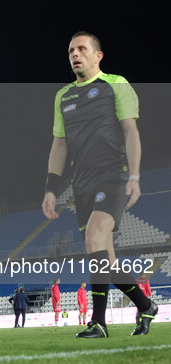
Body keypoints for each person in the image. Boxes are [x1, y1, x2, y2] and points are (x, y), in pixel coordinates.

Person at [42, 31, 157, 338]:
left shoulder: (116, 84)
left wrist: (134, 176)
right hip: (82, 184)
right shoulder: (63, 96)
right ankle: (146, 306)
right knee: (107, 260)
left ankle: (98, 322)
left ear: (97, 56)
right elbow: (59, 146)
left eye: (81, 49)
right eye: (70, 51)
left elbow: (130, 131)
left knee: (94, 237)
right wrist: (51, 188)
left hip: (113, 175)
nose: (74, 54)